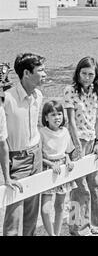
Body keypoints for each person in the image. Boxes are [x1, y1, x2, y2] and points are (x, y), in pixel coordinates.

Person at [1, 53, 46, 236]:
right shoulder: (6, 99)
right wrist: (6, 176)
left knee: (32, 212)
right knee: (14, 215)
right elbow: (1, 141)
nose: (44, 74)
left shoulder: (38, 96)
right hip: (16, 158)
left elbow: (36, 128)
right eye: (41, 70)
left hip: (36, 155)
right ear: (26, 73)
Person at [64, 57, 98, 236]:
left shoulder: (96, 91)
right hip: (76, 141)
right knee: (79, 190)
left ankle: (91, 223)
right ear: (78, 73)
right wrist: (77, 145)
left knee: (94, 185)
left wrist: (97, 142)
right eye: (84, 73)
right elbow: (70, 121)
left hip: (91, 140)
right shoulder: (70, 90)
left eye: (91, 74)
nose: (87, 78)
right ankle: (76, 227)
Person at [40, 101, 76, 236]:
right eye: (53, 114)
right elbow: (39, 156)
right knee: (45, 208)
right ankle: (51, 234)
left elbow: (67, 151)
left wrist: (68, 160)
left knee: (60, 205)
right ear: (46, 117)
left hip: (62, 170)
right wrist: (50, 164)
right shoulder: (42, 132)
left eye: (59, 114)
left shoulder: (65, 131)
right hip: (48, 170)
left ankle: (57, 232)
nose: (57, 117)